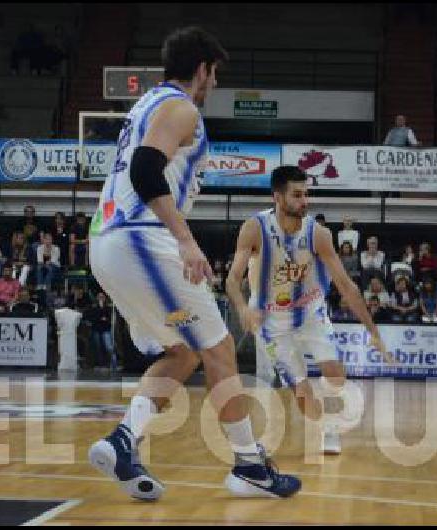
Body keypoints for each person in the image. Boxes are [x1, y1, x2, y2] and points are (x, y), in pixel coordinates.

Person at [87, 27, 301, 500]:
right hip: (141, 240)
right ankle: (250, 467)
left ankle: (123, 442)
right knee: (219, 346)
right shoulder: (180, 107)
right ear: (202, 69)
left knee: (182, 351)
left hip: (108, 242)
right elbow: (145, 169)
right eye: (215, 74)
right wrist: (185, 240)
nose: (215, 84)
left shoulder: (144, 105)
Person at [226, 165, 388, 456]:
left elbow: (347, 286)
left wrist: (372, 331)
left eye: (307, 194)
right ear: (278, 196)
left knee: (336, 375)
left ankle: (329, 410)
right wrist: (241, 308)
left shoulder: (318, 234)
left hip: (310, 313)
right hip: (270, 322)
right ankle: (327, 428)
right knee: (300, 390)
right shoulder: (254, 229)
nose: (305, 201)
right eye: (297, 195)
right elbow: (231, 280)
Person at [85, 291, 118, 371]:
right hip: (97, 329)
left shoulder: (108, 307)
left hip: (105, 329)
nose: (101, 298)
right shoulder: (94, 307)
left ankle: (113, 363)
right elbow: (94, 317)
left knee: (108, 346)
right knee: (98, 347)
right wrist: (100, 318)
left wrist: (101, 318)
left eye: (102, 297)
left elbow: (107, 318)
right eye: (99, 297)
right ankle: (101, 364)